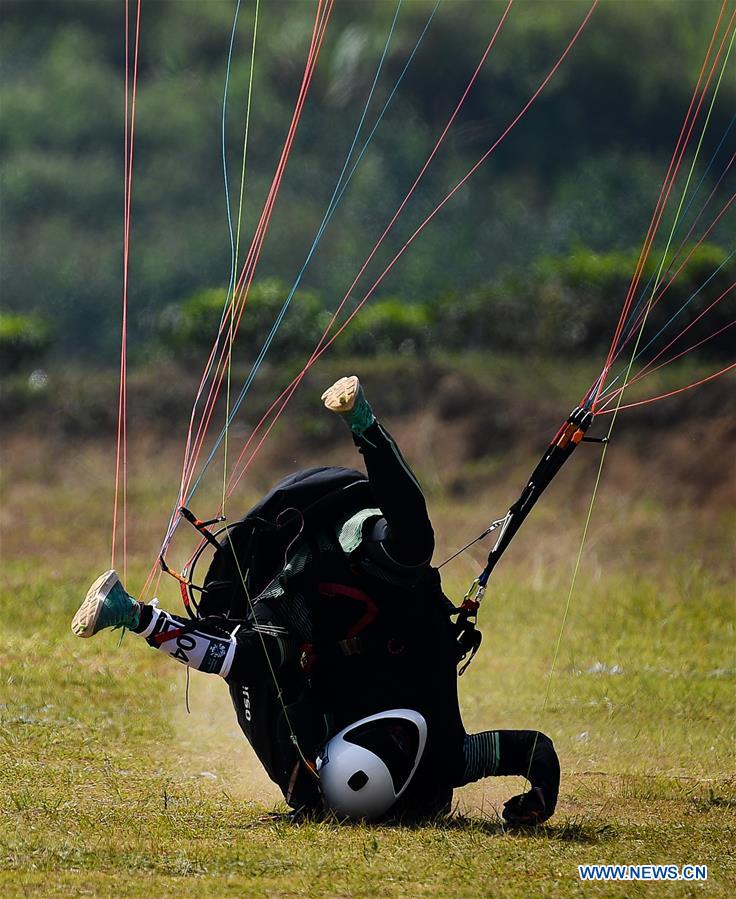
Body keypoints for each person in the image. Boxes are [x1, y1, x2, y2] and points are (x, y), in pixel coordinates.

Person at [72, 376, 560, 824]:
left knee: (259, 656)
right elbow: (534, 749)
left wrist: (141, 620)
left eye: (379, 739)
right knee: (412, 546)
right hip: (371, 575)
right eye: (398, 744)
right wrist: (541, 795)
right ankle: (363, 422)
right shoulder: (446, 758)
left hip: (300, 598)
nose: (393, 733)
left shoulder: (307, 769)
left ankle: (130, 612)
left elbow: (243, 661)